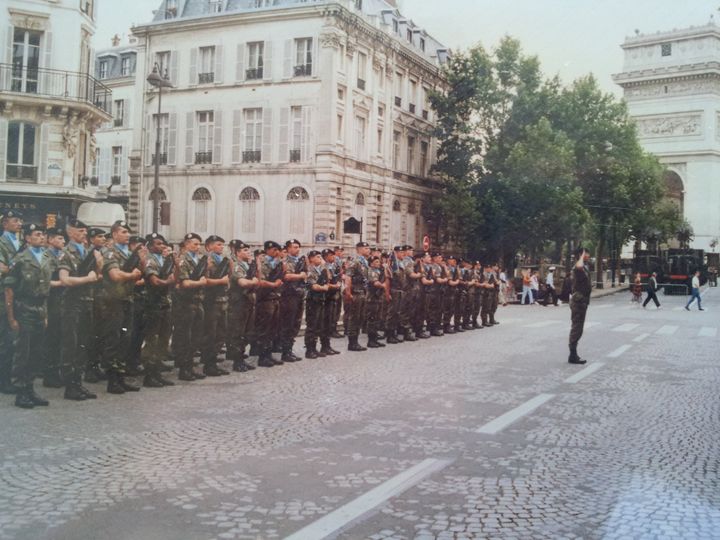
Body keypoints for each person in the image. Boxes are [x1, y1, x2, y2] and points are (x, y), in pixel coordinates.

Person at [4, 223, 53, 408]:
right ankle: (21, 392)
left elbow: (45, 290)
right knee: (23, 352)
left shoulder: (47, 257)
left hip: (40, 309)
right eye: (38, 234)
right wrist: (11, 318)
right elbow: (9, 289)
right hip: (24, 308)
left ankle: (30, 388)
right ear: (28, 238)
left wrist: (46, 314)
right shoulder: (21, 259)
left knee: (36, 352)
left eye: (43, 234)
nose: (42, 237)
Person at [97, 220, 144, 394]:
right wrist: (132, 275)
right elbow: (115, 275)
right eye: (123, 232)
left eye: (128, 232)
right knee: (113, 340)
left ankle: (120, 377)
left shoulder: (127, 253)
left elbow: (140, 274)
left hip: (126, 299)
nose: (127, 235)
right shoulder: (110, 252)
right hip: (113, 301)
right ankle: (112, 380)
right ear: (115, 234)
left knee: (125, 339)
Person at [58, 218, 101, 400]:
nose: (84, 234)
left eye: (85, 231)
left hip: (86, 302)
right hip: (72, 304)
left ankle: (78, 382)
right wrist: (88, 279)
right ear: (70, 232)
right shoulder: (66, 253)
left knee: (83, 344)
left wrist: (99, 264)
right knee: (71, 345)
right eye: (80, 231)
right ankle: (70, 386)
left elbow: (97, 275)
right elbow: (65, 280)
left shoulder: (87, 252)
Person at [141, 233, 176, 387]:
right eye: (158, 244)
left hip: (165, 304)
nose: (162, 246)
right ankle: (149, 375)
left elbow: (177, 277)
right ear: (150, 245)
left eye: (163, 243)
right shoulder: (149, 260)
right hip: (153, 305)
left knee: (163, 339)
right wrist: (168, 281)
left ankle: (157, 372)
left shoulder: (163, 260)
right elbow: (154, 281)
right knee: (152, 340)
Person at [174, 233, 208, 381]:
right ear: (186, 244)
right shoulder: (183, 261)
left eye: (199, 244)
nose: (197, 247)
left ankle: (190, 367)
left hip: (198, 302)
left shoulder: (199, 260)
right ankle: (184, 369)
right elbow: (185, 283)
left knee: (196, 337)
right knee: (185, 338)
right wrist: (201, 283)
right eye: (194, 244)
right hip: (186, 303)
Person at [0, 210, 24, 395]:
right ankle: (4, 380)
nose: (19, 223)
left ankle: (11, 376)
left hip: (18, 294)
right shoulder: (2, 243)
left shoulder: (21, 243)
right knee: (5, 340)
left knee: (15, 339)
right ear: (5, 223)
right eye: (15, 220)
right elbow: (4, 269)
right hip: (4, 295)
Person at [202, 235, 231, 376]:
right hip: (211, 301)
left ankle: (213, 361)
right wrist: (221, 281)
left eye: (222, 245)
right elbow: (205, 281)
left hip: (223, 300)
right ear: (209, 246)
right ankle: (209, 364)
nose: (221, 247)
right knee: (210, 334)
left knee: (221, 333)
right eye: (218, 244)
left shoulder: (223, 261)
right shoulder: (207, 261)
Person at [227, 241, 258, 372]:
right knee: (238, 333)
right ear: (237, 253)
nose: (248, 252)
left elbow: (258, 281)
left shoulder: (247, 266)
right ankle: (237, 361)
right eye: (245, 250)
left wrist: (254, 280)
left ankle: (241, 358)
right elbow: (243, 282)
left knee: (247, 332)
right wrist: (253, 281)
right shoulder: (236, 266)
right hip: (238, 302)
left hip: (248, 302)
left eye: (248, 250)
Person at [42, 227, 66, 388]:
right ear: (50, 240)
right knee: (51, 338)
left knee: (59, 337)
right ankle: (49, 374)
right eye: (59, 238)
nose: (63, 241)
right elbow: (44, 281)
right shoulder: (46, 257)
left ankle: (55, 371)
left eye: (63, 239)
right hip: (49, 300)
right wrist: (63, 283)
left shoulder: (61, 256)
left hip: (61, 300)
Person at [255, 241, 285, 367]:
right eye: (274, 250)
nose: (276, 252)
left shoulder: (277, 263)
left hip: (275, 297)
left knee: (273, 328)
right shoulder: (261, 262)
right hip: (265, 298)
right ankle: (262, 356)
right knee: (265, 328)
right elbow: (261, 281)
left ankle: (269, 354)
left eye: (277, 250)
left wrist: (278, 282)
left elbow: (280, 278)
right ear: (268, 250)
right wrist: (274, 284)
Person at [278, 239, 307, 363]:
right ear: (288, 248)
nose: (297, 249)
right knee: (288, 324)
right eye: (294, 247)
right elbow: (287, 276)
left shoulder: (299, 261)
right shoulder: (285, 260)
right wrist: (300, 275)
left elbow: (306, 274)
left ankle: (289, 349)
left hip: (298, 294)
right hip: (288, 295)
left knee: (296, 323)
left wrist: (302, 274)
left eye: (298, 247)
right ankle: (285, 352)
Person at [343, 241, 370, 351]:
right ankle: (352, 343)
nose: (369, 250)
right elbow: (348, 277)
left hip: (362, 292)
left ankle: (355, 341)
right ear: (359, 249)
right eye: (366, 248)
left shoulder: (364, 262)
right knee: (354, 317)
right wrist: (348, 293)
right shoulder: (355, 261)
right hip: (356, 292)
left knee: (359, 317)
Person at [304, 250, 329, 358]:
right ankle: (309, 350)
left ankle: (314, 348)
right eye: (317, 256)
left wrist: (323, 287)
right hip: (312, 300)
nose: (320, 258)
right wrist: (323, 287)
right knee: (312, 326)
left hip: (320, 299)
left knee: (319, 325)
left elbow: (328, 283)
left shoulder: (322, 269)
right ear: (311, 259)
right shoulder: (309, 270)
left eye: (320, 257)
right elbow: (314, 286)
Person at [568, 246, 591, 365]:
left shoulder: (584, 267)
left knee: (579, 328)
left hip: (582, 302)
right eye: (586, 253)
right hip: (578, 302)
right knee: (577, 328)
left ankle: (573, 354)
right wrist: (581, 256)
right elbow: (578, 266)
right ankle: (572, 355)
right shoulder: (577, 267)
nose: (588, 255)